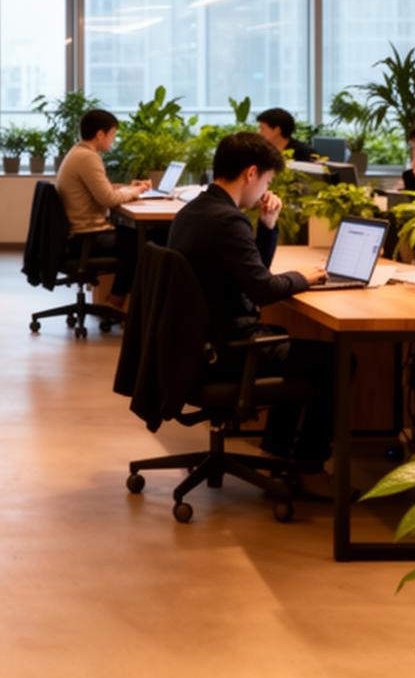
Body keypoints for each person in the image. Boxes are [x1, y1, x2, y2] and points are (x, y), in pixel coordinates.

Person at [167, 132, 333, 471]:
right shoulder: (228, 220)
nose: (265, 190)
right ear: (251, 173)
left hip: (195, 347)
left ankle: (278, 448)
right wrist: (304, 277)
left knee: (286, 339)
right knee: (334, 360)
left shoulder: (195, 210)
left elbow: (251, 273)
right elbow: (262, 290)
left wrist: (268, 226)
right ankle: (306, 463)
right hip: (225, 351)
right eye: (267, 181)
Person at [54, 109, 151, 305]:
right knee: (141, 241)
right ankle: (117, 299)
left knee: (133, 235)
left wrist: (127, 188)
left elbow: (100, 189)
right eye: (112, 135)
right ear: (100, 134)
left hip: (78, 234)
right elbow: (108, 199)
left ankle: (118, 297)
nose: (113, 140)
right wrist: (136, 192)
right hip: (86, 237)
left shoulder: (78, 152)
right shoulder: (88, 157)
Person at [256, 107, 320, 163]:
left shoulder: (305, 153)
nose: (259, 132)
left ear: (277, 130)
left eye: (262, 128)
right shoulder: (263, 152)